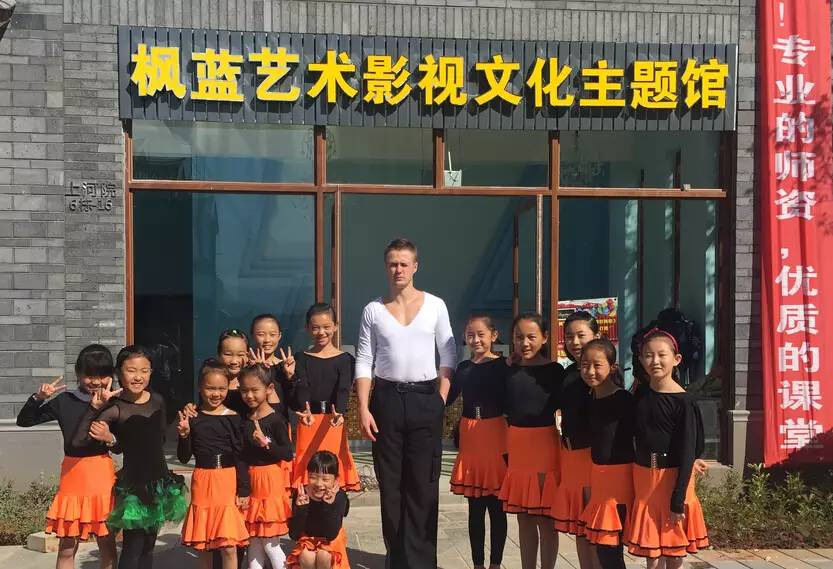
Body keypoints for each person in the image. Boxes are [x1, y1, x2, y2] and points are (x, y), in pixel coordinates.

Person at [355, 238, 456, 569]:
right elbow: (364, 360)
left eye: (403, 263)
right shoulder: (373, 310)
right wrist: (363, 408)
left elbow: (449, 353)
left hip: (425, 398)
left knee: (423, 485)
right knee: (391, 485)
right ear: (386, 267)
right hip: (386, 400)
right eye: (392, 264)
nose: (398, 269)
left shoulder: (435, 305)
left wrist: (441, 397)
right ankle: (397, 559)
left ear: (415, 266)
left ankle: (423, 561)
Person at [73, 345, 188, 569]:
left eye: (144, 370)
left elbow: (159, 440)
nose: (138, 377)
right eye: (131, 370)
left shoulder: (158, 400)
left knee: (149, 546)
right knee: (133, 547)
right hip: (134, 487)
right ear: (119, 373)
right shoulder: (115, 408)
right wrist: (108, 436)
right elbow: (80, 441)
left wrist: (184, 433)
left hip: (160, 484)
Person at [16, 344, 119, 569]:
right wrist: (38, 397)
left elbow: (123, 444)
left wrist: (110, 437)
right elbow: (24, 421)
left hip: (101, 475)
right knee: (67, 546)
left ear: (111, 375)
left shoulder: (114, 401)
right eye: (89, 375)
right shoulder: (65, 400)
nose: (96, 381)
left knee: (106, 542)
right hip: (73, 475)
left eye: (102, 375)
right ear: (78, 374)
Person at [626, 329, 709, 568]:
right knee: (651, 550)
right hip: (644, 477)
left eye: (662, 355)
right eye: (648, 355)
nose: (655, 361)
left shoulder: (684, 402)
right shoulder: (641, 394)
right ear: (641, 360)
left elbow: (690, 449)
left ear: (677, 359)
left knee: (673, 549)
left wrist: (678, 498)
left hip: (673, 478)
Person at [499, 313, 564, 569]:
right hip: (517, 446)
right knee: (524, 517)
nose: (524, 343)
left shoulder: (555, 371)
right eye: (519, 337)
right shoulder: (508, 371)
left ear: (545, 338)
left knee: (545, 518)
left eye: (531, 337)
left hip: (544, 446)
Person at [446, 314, 509, 569]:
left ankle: (495, 564)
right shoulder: (463, 368)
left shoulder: (504, 366)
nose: (476, 340)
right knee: (475, 509)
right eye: (470, 335)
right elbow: (447, 398)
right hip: (471, 434)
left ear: (493, 335)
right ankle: (478, 564)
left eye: (481, 334)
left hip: (496, 434)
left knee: (497, 508)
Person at [178, 359, 250, 569]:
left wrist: (244, 489)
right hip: (202, 480)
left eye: (221, 388)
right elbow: (184, 457)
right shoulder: (193, 417)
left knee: (228, 545)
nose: (216, 394)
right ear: (200, 388)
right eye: (210, 388)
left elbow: (240, 456)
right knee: (204, 544)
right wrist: (184, 435)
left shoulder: (234, 418)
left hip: (227, 480)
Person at [578, 339, 635, 569]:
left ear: (612, 367)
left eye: (597, 365)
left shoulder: (624, 400)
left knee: (610, 549)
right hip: (599, 479)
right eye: (584, 365)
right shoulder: (589, 398)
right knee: (603, 547)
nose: (590, 371)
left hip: (620, 482)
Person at [292, 303, 360, 491]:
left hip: (334, 421)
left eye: (326, 327)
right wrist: (303, 410)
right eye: (315, 327)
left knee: (332, 474)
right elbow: (302, 387)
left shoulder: (346, 359)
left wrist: (340, 413)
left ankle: (334, 509)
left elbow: (343, 389)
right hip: (309, 421)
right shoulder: (300, 358)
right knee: (307, 476)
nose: (321, 332)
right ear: (307, 328)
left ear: (335, 326)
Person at [551, 311, 600, 569]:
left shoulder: (603, 374)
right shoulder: (568, 373)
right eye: (569, 336)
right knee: (581, 527)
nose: (575, 342)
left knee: (596, 528)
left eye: (582, 335)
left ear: (597, 335)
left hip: (593, 458)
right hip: (571, 458)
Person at [238, 364, 294, 569]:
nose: (249, 395)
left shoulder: (276, 420)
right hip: (252, 481)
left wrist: (266, 443)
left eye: (255, 390)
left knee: (270, 543)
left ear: (269, 389)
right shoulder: (245, 420)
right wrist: (243, 488)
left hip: (270, 480)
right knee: (253, 542)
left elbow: (287, 453)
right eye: (245, 390)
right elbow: (242, 455)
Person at [286, 451, 351, 569]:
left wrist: (328, 506)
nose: (318, 484)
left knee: (323, 555)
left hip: (331, 539)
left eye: (325, 479)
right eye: (313, 477)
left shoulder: (340, 497)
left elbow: (331, 535)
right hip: (308, 539)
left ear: (335, 480)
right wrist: (301, 509)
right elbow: (294, 534)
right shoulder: (302, 494)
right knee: (307, 556)